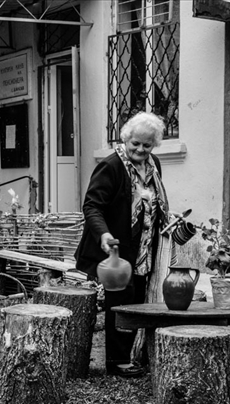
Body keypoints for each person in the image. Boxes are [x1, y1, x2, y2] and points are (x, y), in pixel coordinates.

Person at [75, 112, 193, 378]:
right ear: (125, 139)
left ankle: (137, 354)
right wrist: (103, 234)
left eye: (147, 145)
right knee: (120, 302)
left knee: (140, 299)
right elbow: (92, 206)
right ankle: (116, 361)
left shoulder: (154, 165)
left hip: (144, 247)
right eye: (135, 144)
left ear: (154, 145)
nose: (140, 149)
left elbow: (152, 202)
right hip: (116, 248)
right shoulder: (111, 166)